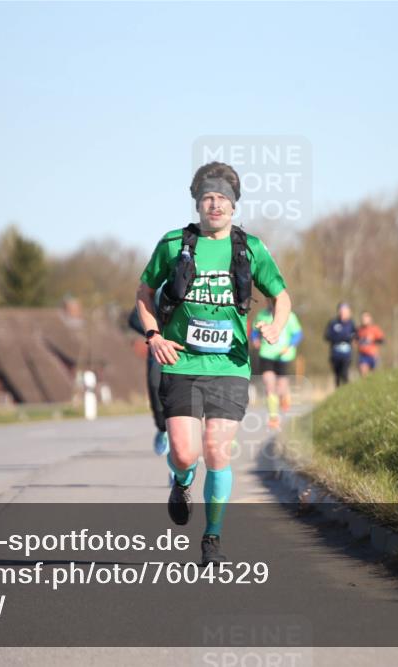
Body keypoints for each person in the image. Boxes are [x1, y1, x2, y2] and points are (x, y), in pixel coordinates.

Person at [135, 161, 291, 566]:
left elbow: (281, 295)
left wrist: (276, 324)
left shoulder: (250, 248)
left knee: (218, 451)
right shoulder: (173, 244)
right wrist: (154, 335)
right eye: (208, 197)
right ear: (197, 204)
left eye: (222, 197)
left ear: (234, 206)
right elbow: (144, 291)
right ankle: (181, 480)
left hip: (230, 364)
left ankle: (213, 538)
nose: (215, 203)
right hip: (182, 362)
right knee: (186, 454)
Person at [127, 289, 169, 457]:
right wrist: (154, 333)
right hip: (157, 353)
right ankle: (162, 428)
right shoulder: (157, 291)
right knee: (155, 390)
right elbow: (133, 319)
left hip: (184, 355)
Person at [250, 299, 303, 430]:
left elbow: (298, 334)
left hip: (283, 355)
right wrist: (255, 339)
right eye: (269, 301)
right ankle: (273, 417)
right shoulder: (262, 315)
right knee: (269, 384)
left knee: (281, 387)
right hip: (266, 354)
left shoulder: (289, 316)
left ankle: (285, 396)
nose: (271, 304)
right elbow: (254, 332)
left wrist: (290, 346)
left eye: (274, 302)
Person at [324, 302, 357, 387]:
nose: (343, 313)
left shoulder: (351, 324)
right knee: (337, 375)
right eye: (341, 311)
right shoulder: (333, 323)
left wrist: (351, 339)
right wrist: (339, 338)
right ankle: (338, 391)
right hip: (335, 354)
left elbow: (356, 336)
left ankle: (347, 389)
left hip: (347, 354)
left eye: (345, 311)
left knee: (344, 373)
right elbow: (327, 336)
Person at [356, 311, 385, 377]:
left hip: (373, 355)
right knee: (363, 372)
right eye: (363, 318)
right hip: (363, 356)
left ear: (370, 319)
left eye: (366, 318)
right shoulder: (359, 330)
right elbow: (355, 340)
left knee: (374, 376)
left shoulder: (375, 329)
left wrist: (373, 340)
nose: (364, 320)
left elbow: (382, 340)